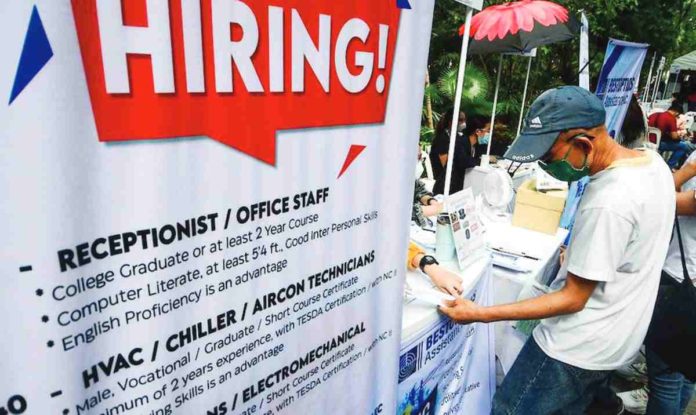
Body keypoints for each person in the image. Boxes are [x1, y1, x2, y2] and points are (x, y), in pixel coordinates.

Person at [439, 86, 675, 414]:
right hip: (619, 339)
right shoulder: (653, 164)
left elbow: (572, 298)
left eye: (548, 158)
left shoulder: (608, 201)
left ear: (582, 143)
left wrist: (479, 313)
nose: (546, 168)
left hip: (573, 349)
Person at [618, 154, 696, 415]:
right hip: (684, 277)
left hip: (681, 280)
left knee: (666, 379)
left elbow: (662, 201)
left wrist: (686, 172)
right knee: (684, 372)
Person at [430, 111, 490, 195]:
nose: (488, 134)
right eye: (487, 130)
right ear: (478, 131)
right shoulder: (460, 143)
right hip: (447, 188)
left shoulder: (475, 145)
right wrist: (480, 161)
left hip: (461, 187)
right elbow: (464, 161)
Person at [649, 104, 689, 169]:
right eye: (678, 116)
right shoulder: (671, 118)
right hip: (657, 144)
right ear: (676, 112)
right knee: (683, 146)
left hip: (646, 141)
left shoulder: (654, 114)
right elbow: (674, 137)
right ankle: (669, 167)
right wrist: (679, 137)